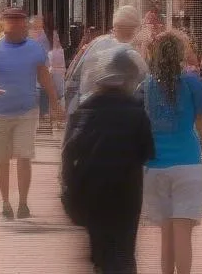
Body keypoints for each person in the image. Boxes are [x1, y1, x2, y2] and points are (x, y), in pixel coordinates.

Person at [61, 46, 155, 274]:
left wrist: (67, 184)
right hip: (126, 192)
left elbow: (69, 151)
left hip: (91, 190)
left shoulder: (85, 110)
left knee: (99, 249)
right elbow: (148, 152)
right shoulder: (136, 111)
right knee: (124, 250)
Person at [0, 6, 62, 220]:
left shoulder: (35, 49)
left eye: (20, 22)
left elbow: (44, 78)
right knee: (2, 159)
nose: (16, 26)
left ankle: (23, 202)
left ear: (24, 24)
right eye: (11, 22)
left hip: (26, 111)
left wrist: (54, 104)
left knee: (24, 156)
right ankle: (6, 202)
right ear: (4, 25)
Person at [141, 31, 202, 274]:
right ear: (181, 53)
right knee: (183, 231)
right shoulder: (193, 83)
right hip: (187, 163)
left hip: (155, 165)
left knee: (167, 235)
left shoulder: (147, 84)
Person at [66, 5, 147, 114]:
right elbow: (146, 84)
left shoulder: (96, 43)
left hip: (87, 110)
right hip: (118, 115)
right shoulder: (131, 54)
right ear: (134, 29)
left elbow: (74, 76)